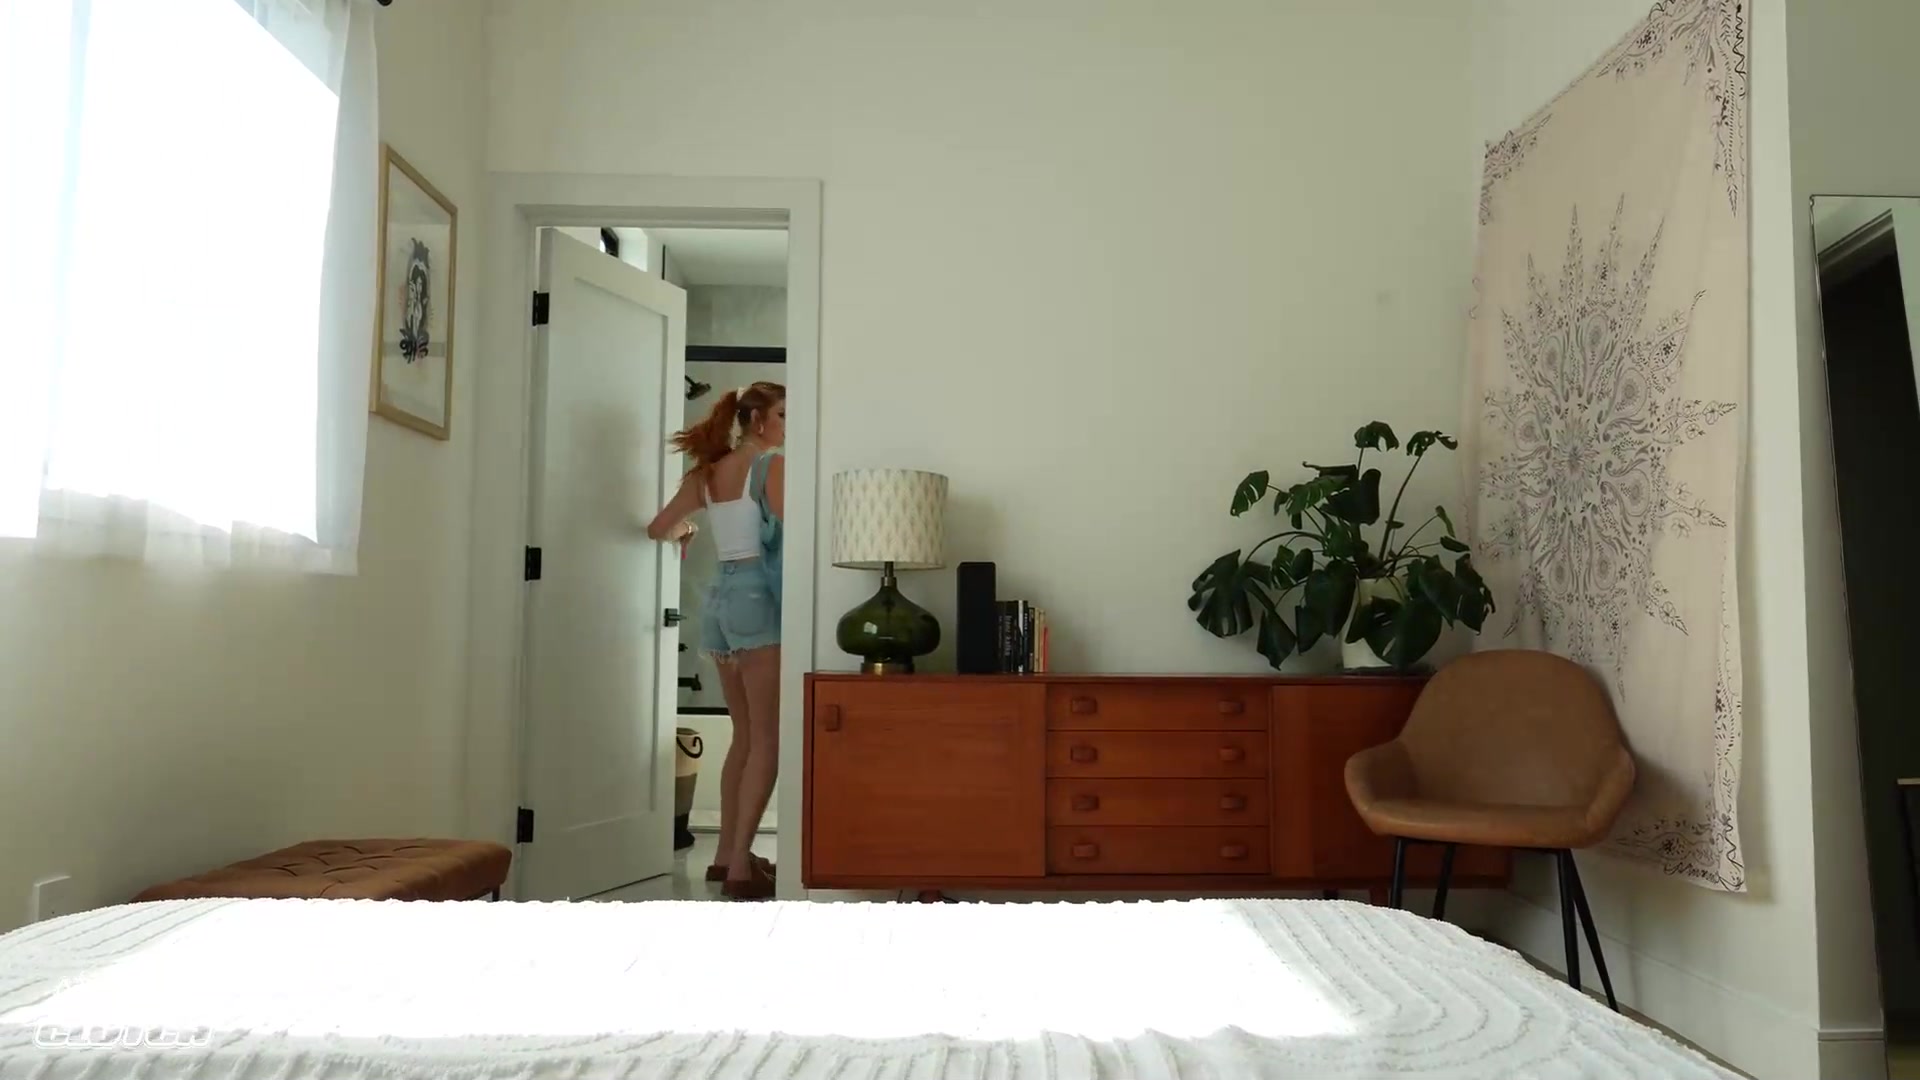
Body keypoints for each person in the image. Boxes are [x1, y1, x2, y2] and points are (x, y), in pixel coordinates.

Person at [649, 381, 785, 900]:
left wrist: (687, 533)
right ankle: (742, 870)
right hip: (758, 599)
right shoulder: (769, 467)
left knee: (744, 736)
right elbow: (792, 536)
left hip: (720, 602)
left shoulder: (706, 474)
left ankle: (726, 857)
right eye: (783, 414)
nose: (788, 425)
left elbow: (659, 527)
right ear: (758, 421)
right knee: (767, 739)